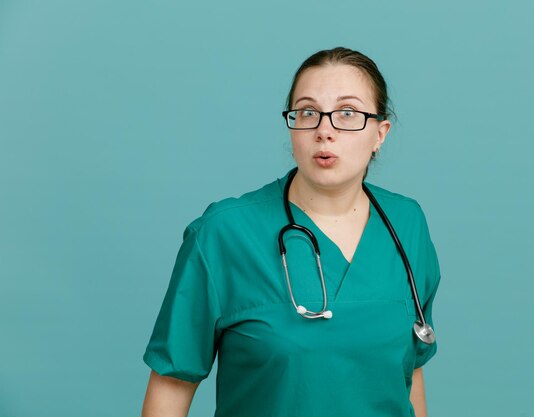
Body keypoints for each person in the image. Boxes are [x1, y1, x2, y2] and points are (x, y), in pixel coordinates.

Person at [141, 47, 442, 417]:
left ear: (380, 133)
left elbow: (410, 374)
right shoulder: (223, 234)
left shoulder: (406, 223)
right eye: (308, 112)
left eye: (347, 113)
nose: (324, 131)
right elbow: (171, 385)